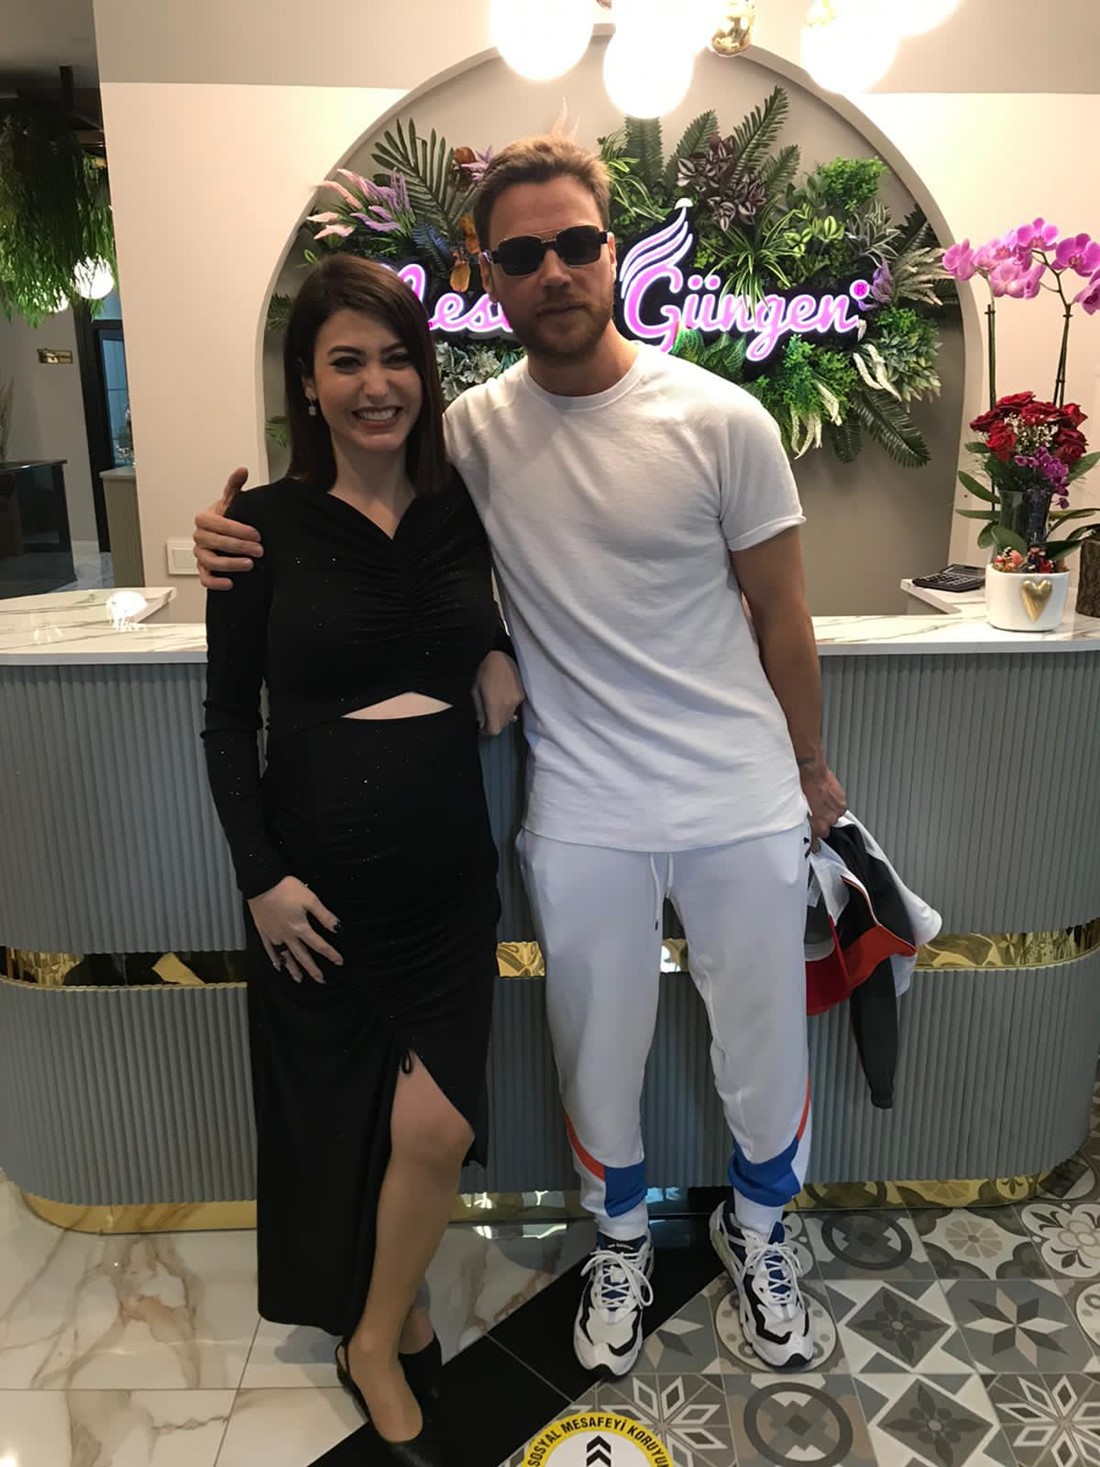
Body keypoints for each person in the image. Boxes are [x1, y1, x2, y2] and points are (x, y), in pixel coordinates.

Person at [195, 135, 847, 1378]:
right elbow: (384, 543)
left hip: (739, 791)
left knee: (763, 1040)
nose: (554, 270)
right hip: (583, 802)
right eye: (523, 253)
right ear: (487, 274)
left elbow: (783, 616)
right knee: (595, 1048)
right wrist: (225, 535)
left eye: (576, 243)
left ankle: (762, 1230)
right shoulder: (468, 438)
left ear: (615, 250)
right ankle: (619, 1240)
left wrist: (810, 772)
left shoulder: (723, 417)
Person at [201, 252, 522, 1464]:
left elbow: (490, 611)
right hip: (316, 890)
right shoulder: (256, 529)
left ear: (424, 376)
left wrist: (494, 650)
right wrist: (259, 878)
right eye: (346, 361)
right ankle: (392, 1319)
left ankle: (370, 1339)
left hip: (446, 878)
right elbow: (226, 721)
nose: (375, 384)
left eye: (395, 359)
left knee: (435, 1128)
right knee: (345, 1128)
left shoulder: (461, 510)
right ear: (306, 381)